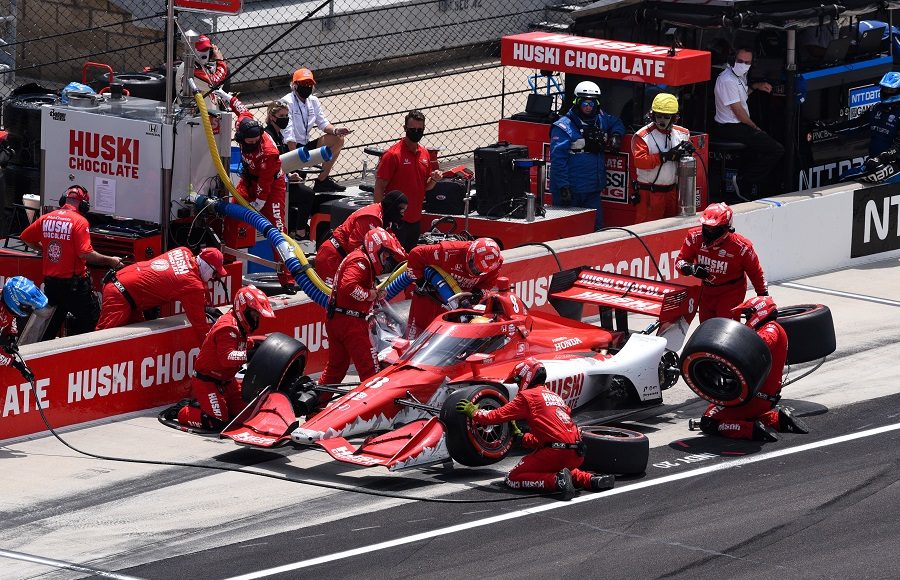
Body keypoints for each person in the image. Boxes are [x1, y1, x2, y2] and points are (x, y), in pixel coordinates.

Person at [456, 358, 615, 500]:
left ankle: (556, 481)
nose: (518, 385)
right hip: (577, 452)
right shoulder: (555, 397)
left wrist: (474, 412)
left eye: (518, 381)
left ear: (525, 377)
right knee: (560, 467)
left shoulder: (527, 396)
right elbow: (554, 435)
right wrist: (523, 438)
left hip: (556, 452)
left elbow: (496, 415)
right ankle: (592, 480)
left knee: (513, 478)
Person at [696, 296, 809, 442]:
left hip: (754, 397)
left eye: (749, 314)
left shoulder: (770, 329)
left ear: (759, 312)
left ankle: (750, 430)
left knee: (708, 421)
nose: (747, 318)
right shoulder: (772, 328)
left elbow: (756, 348)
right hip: (761, 396)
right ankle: (777, 420)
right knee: (730, 411)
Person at [215, 89, 295, 291]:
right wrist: (227, 97)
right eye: (249, 142)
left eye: (256, 141)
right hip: (249, 180)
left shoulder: (269, 152)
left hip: (272, 186)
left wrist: (258, 203)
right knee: (232, 213)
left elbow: (265, 183)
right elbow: (241, 108)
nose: (253, 144)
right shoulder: (243, 123)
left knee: (277, 231)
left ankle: (287, 279)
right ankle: (228, 258)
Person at [20, 185, 122, 340]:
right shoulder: (80, 222)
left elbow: (25, 238)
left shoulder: (46, 218)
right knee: (92, 326)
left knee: (48, 329)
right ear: (84, 205)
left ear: (63, 200)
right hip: (75, 288)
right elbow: (85, 253)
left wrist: (44, 249)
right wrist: (111, 260)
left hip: (52, 286)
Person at [175, 285, 275, 431]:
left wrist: (259, 344)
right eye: (255, 314)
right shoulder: (228, 328)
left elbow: (239, 343)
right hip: (207, 382)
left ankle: (212, 406)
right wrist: (250, 354)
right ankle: (184, 411)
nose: (256, 318)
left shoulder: (238, 324)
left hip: (228, 381)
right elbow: (227, 358)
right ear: (244, 309)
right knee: (218, 423)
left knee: (247, 414)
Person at [320, 227, 406, 387]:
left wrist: (373, 293)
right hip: (351, 323)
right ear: (376, 248)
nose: (386, 259)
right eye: (386, 254)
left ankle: (316, 401)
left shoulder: (357, 257)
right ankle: (374, 404)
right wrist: (370, 294)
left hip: (338, 319)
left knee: (335, 370)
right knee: (370, 372)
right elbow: (348, 287)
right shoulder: (361, 261)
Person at [95, 246, 227, 341]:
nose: (213, 277)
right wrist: (215, 351)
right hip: (120, 294)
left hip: (125, 285)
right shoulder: (192, 284)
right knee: (101, 340)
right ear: (207, 266)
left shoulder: (183, 250)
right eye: (214, 273)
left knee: (137, 339)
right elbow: (200, 327)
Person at [549, 81, 625, 231]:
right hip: (571, 190)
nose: (589, 107)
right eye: (585, 103)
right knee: (567, 231)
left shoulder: (600, 119)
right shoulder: (563, 126)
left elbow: (616, 122)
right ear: (577, 102)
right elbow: (558, 160)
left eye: (592, 103)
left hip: (592, 190)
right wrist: (563, 187)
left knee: (596, 229)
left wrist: (616, 135)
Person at [675, 202, 768, 323]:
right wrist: (691, 268)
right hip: (706, 291)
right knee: (706, 326)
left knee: (725, 327)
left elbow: (756, 273)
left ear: (727, 228)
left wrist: (763, 297)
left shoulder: (742, 247)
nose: (709, 232)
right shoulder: (694, 237)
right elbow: (679, 262)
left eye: (714, 229)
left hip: (731, 292)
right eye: (706, 227)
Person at [713, 46, 784, 199]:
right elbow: (739, 112)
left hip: (738, 125)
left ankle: (748, 184)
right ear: (733, 60)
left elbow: (742, 96)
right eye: (740, 61)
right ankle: (744, 183)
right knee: (776, 149)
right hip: (730, 127)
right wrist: (755, 128)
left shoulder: (739, 76)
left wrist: (755, 86)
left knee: (761, 146)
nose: (743, 65)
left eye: (747, 62)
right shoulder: (727, 80)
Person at [405, 237, 503, 340]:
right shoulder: (449, 251)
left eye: (479, 271)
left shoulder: (495, 263)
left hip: (458, 304)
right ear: (470, 254)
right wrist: (420, 280)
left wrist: (479, 292)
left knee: (447, 339)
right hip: (429, 296)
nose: (474, 270)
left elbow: (490, 283)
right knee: (416, 335)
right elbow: (416, 253)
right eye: (473, 265)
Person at [374, 110, 443, 251]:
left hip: (415, 219)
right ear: (405, 128)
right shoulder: (393, 155)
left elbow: (425, 186)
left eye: (420, 130)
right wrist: (379, 217)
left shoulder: (424, 153)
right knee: (393, 260)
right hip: (395, 220)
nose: (416, 132)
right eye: (412, 129)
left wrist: (434, 180)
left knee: (409, 259)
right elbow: (379, 186)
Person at [315, 190, 408, 286]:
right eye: (401, 211)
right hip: (332, 257)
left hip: (343, 257)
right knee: (331, 294)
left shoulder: (385, 218)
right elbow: (355, 246)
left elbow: (392, 243)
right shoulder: (371, 217)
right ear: (393, 207)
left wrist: (408, 262)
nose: (402, 215)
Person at [282, 68, 351, 193]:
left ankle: (322, 181)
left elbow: (323, 123)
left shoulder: (313, 100)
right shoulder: (287, 101)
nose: (307, 86)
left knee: (338, 139)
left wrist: (336, 130)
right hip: (290, 148)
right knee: (300, 192)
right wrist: (296, 159)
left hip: (305, 145)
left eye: (309, 83)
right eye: (303, 83)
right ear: (295, 85)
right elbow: (289, 134)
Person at [631, 93, 694, 223]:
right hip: (650, 193)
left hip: (673, 192)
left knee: (673, 228)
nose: (662, 120)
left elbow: (690, 159)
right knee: (648, 230)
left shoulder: (683, 134)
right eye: (659, 116)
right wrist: (664, 157)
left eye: (666, 117)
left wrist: (687, 152)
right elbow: (640, 161)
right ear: (652, 115)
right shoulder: (642, 136)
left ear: (674, 117)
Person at [264, 99, 315, 240]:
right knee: (308, 194)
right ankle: (300, 232)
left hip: (282, 177)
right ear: (272, 117)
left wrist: (290, 174)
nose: (285, 119)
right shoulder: (268, 136)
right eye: (281, 116)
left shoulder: (279, 135)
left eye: (287, 116)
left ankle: (295, 227)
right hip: (274, 184)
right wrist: (288, 176)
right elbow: (272, 163)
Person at [0, 277, 47, 379]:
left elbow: (10, 317)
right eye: (26, 306)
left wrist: (11, 337)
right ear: (14, 301)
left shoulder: (4, 300)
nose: (29, 309)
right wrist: (18, 365)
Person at [176, 35, 228, 109]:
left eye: (207, 49)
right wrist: (220, 62)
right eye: (201, 49)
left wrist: (216, 62)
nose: (204, 53)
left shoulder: (202, 65)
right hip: (196, 114)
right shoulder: (189, 68)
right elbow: (214, 84)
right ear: (192, 50)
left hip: (210, 113)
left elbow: (220, 82)